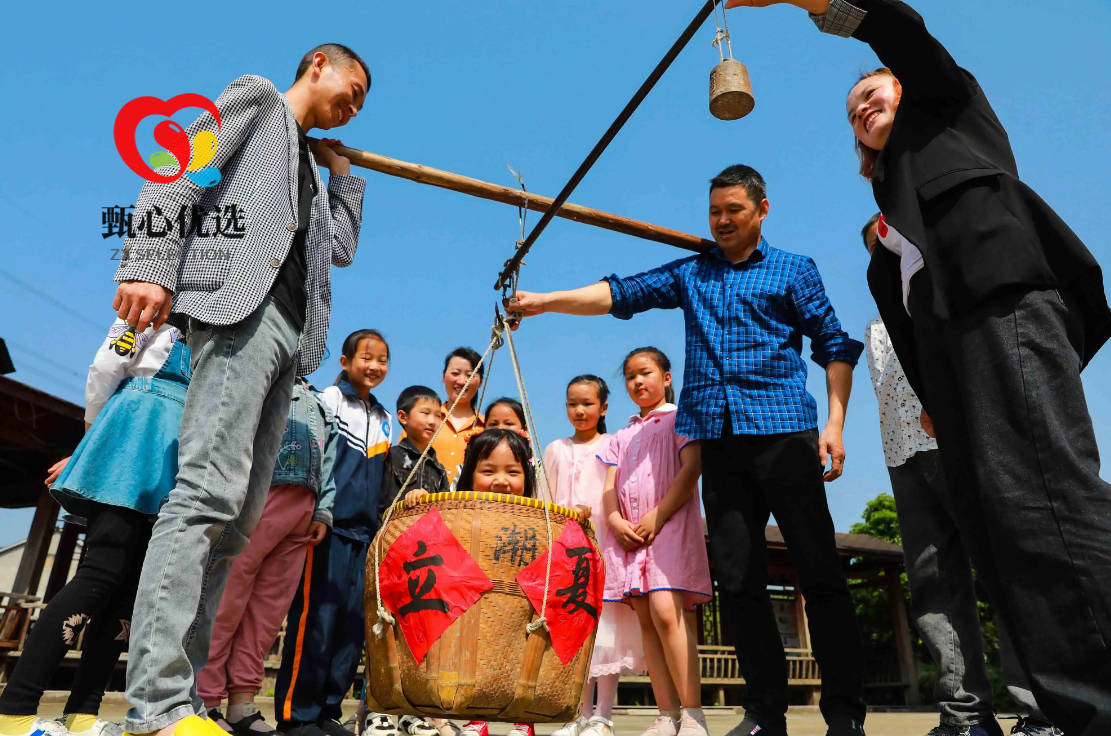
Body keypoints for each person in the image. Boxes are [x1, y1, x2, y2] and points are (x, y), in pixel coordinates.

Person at [725, 1, 1111, 732]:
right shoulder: (885, 229)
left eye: (872, 94)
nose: (861, 109)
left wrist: (809, 1)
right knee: (997, 528)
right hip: (952, 366)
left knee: (1045, 498)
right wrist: (934, 396)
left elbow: (899, 30)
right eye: (850, 112)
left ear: (907, 87)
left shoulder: (950, 113)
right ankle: (1072, 708)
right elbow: (907, 324)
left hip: (1004, 308)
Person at [512, 165, 867, 736]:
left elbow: (834, 342)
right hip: (719, 444)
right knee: (740, 582)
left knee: (820, 573)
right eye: (714, 212)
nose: (722, 221)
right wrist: (546, 301)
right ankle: (763, 716)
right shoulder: (693, 274)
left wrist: (836, 421)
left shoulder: (793, 270)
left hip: (784, 436)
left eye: (734, 210)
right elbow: (621, 292)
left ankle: (845, 715)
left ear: (762, 210)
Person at [112, 42, 370, 736]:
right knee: (204, 495)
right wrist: (150, 263)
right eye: (354, 85)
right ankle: (156, 702)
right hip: (236, 310)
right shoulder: (257, 99)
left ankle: (187, 696)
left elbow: (338, 249)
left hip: (290, 336)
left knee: (238, 518)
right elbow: (176, 171)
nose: (355, 102)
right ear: (319, 63)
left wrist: (343, 178)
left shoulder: (311, 174)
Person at [860, 215, 1061, 736]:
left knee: (1004, 570)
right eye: (874, 252)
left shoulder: (946, 303)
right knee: (934, 584)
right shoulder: (877, 330)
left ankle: (1042, 711)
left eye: (892, 247)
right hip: (904, 458)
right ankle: (965, 714)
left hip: (965, 448)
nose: (883, 258)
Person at [0, 319, 189, 736]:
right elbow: (105, 368)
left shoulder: (211, 330)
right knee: (99, 577)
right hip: (128, 443)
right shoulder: (143, 316)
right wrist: (93, 447)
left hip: (169, 459)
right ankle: (14, 711)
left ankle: (83, 712)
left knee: (127, 594)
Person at [197, 377, 339, 736]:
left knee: (268, 614)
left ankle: (242, 701)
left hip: (302, 514)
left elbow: (331, 459)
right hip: (260, 496)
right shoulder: (265, 378)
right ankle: (206, 699)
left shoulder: (321, 402)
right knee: (228, 601)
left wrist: (323, 510)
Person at [274, 330, 391, 736]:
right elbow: (319, 460)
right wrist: (320, 511)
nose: (374, 366)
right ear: (344, 361)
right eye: (366, 357)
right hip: (330, 527)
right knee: (316, 619)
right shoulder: (330, 400)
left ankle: (327, 711)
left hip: (366, 534)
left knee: (351, 626)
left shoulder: (384, 417)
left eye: (382, 359)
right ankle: (296, 715)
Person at [599, 350, 708, 736]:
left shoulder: (682, 417)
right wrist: (614, 520)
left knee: (666, 610)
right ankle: (667, 714)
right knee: (646, 617)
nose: (638, 382)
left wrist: (657, 516)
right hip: (630, 532)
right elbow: (609, 487)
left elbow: (691, 468)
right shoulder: (621, 434)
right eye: (630, 377)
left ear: (665, 376)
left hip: (670, 522)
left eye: (645, 373)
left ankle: (693, 713)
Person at [405, 429, 537, 736]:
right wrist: (422, 500)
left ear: (527, 476)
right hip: (473, 609)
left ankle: (524, 721)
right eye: (488, 471)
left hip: (518, 611)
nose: (501, 480)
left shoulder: (536, 517)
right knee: (472, 661)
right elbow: (437, 524)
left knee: (521, 661)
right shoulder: (459, 511)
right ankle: (476, 720)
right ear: (470, 474)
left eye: (513, 472)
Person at [546, 375, 645, 736]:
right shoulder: (556, 448)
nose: (580, 410)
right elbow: (546, 496)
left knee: (607, 630)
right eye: (573, 403)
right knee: (575, 629)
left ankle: (603, 715)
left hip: (604, 547)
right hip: (566, 551)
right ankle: (578, 714)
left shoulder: (613, 445)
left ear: (603, 408)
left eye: (588, 403)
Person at [369, 385, 450, 736]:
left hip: (427, 564)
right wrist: (404, 506)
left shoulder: (438, 466)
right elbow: (379, 505)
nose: (433, 420)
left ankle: (410, 710)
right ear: (403, 417)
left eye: (438, 414)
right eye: (425, 413)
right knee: (383, 633)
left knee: (417, 635)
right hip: (393, 556)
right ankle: (378, 710)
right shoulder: (390, 456)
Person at [430, 348, 486, 484]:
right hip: (426, 502)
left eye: (470, 375)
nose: (461, 381)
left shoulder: (486, 426)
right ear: (443, 377)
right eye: (455, 373)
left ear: (481, 382)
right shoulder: (426, 420)